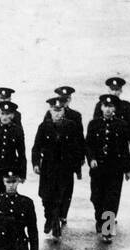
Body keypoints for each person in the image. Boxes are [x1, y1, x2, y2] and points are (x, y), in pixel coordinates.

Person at [31, 97, 85, 241]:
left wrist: (77, 166)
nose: (57, 114)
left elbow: (77, 147)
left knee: (59, 198)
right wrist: (36, 164)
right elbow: (36, 147)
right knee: (46, 197)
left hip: (64, 169)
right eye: (54, 111)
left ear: (63, 111)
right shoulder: (44, 127)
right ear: (50, 110)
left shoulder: (71, 126)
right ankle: (50, 218)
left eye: (60, 110)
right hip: (48, 170)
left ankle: (55, 225)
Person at [85, 95, 130, 242]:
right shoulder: (93, 124)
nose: (108, 109)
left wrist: (127, 169)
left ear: (115, 109)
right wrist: (91, 159)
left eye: (111, 107)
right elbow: (88, 145)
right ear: (101, 107)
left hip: (115, 169)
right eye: (105, 106)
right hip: (98, 169)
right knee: (97, 197)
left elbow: (125, 148)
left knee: (111, 199)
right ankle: (100, 219)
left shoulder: (122, 125)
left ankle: (107, 230)